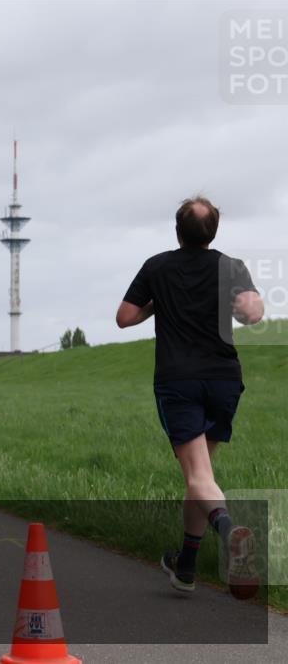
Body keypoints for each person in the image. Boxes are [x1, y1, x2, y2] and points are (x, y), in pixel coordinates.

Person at [117, 196, 263, 597]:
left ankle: (230, 531)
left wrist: (154, 305)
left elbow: (124, 317)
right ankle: (185, 568)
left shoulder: (157, 266)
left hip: (179, 381)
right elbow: (253, 313)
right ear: (213, 231)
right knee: (200, 477)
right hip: (223, 380)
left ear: (177, 231)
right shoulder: (230, 266)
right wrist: (242, 304)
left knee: (199, 477)